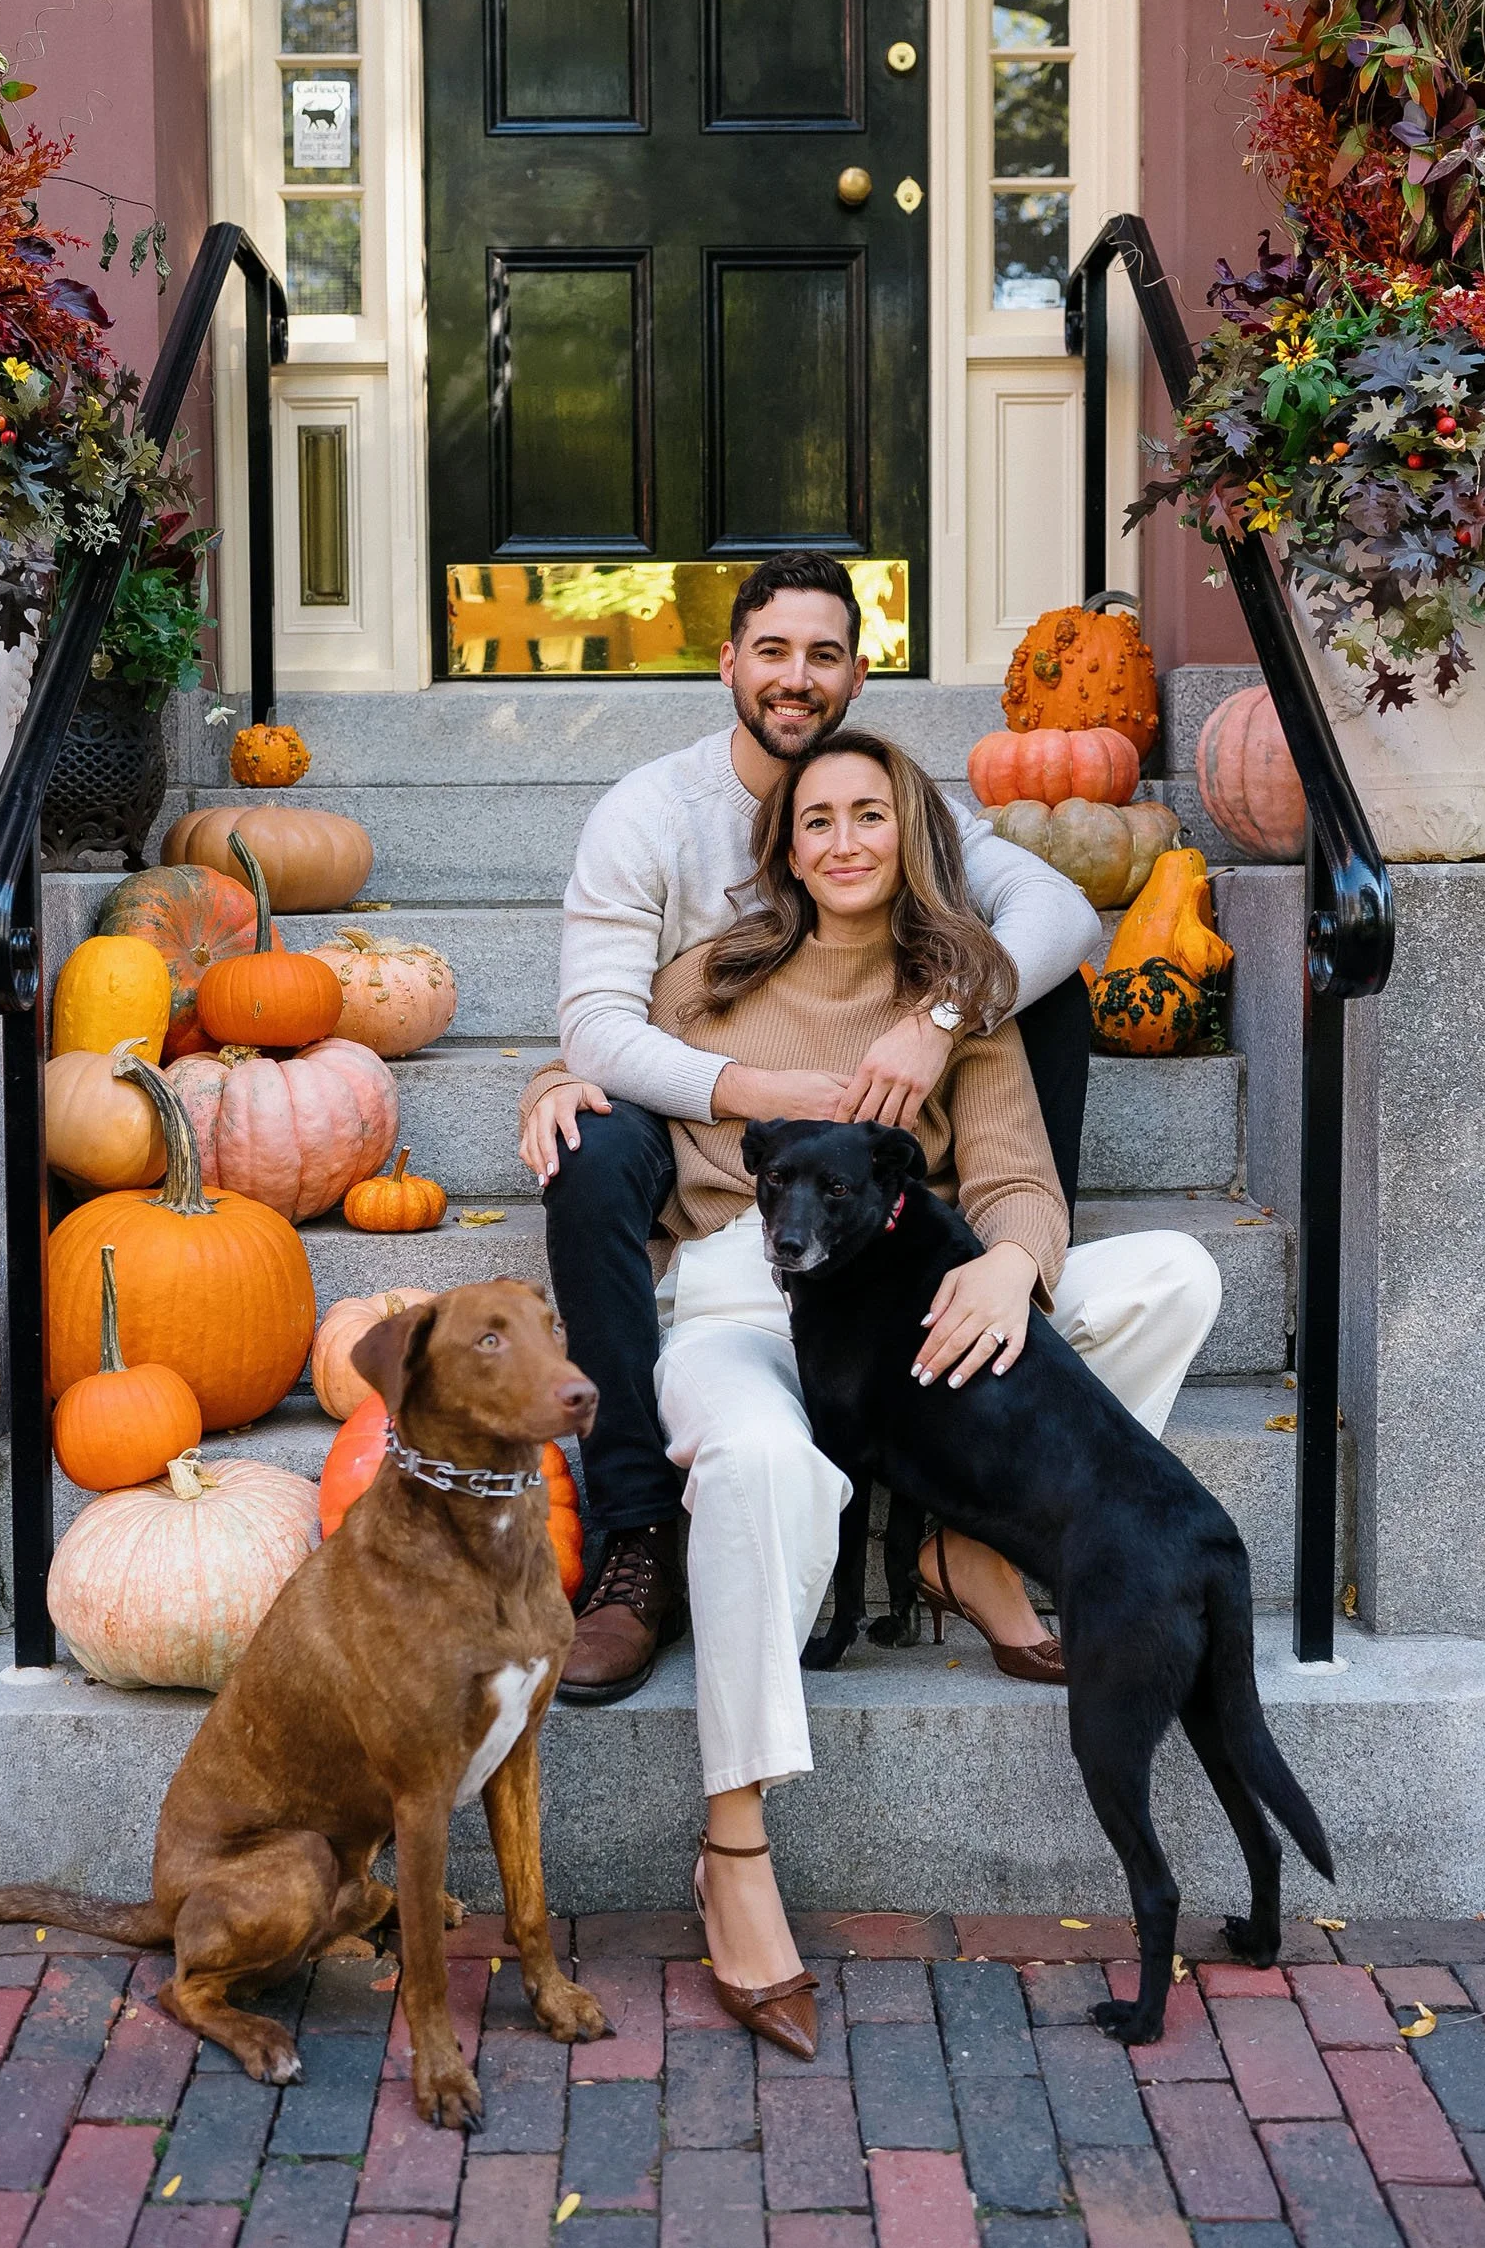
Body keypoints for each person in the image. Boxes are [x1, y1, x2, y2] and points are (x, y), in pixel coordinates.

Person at [519, 732, 1221, 2055]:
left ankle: (969, 1534)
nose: (842, 840)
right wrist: (553, 1084)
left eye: (869, 816)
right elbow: (603, 1063)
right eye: (815, 821)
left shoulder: (960, 997)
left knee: (1174, 1277)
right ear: (781, 849)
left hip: (912, 1296)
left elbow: (1013, 1175)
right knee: (761, 1467)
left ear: (909, 836)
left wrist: (1011, 1262)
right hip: (745, 1297)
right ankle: (732, 1840)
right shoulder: (704, 981)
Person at [523, 550, 1104, 1705]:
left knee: (1048, 992)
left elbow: (1063, 910)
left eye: (823, 655)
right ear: (729, 661)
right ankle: (638, 1537)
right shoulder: (651, 814)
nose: (796, 676)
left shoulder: (900, 799)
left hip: (868, 1142)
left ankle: (987, 1290)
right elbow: (598, 1023)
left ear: (855, 674)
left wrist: (941, 1022)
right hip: (693, 1093)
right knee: (585, 1151)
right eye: (773, 651)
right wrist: (745, 1087)